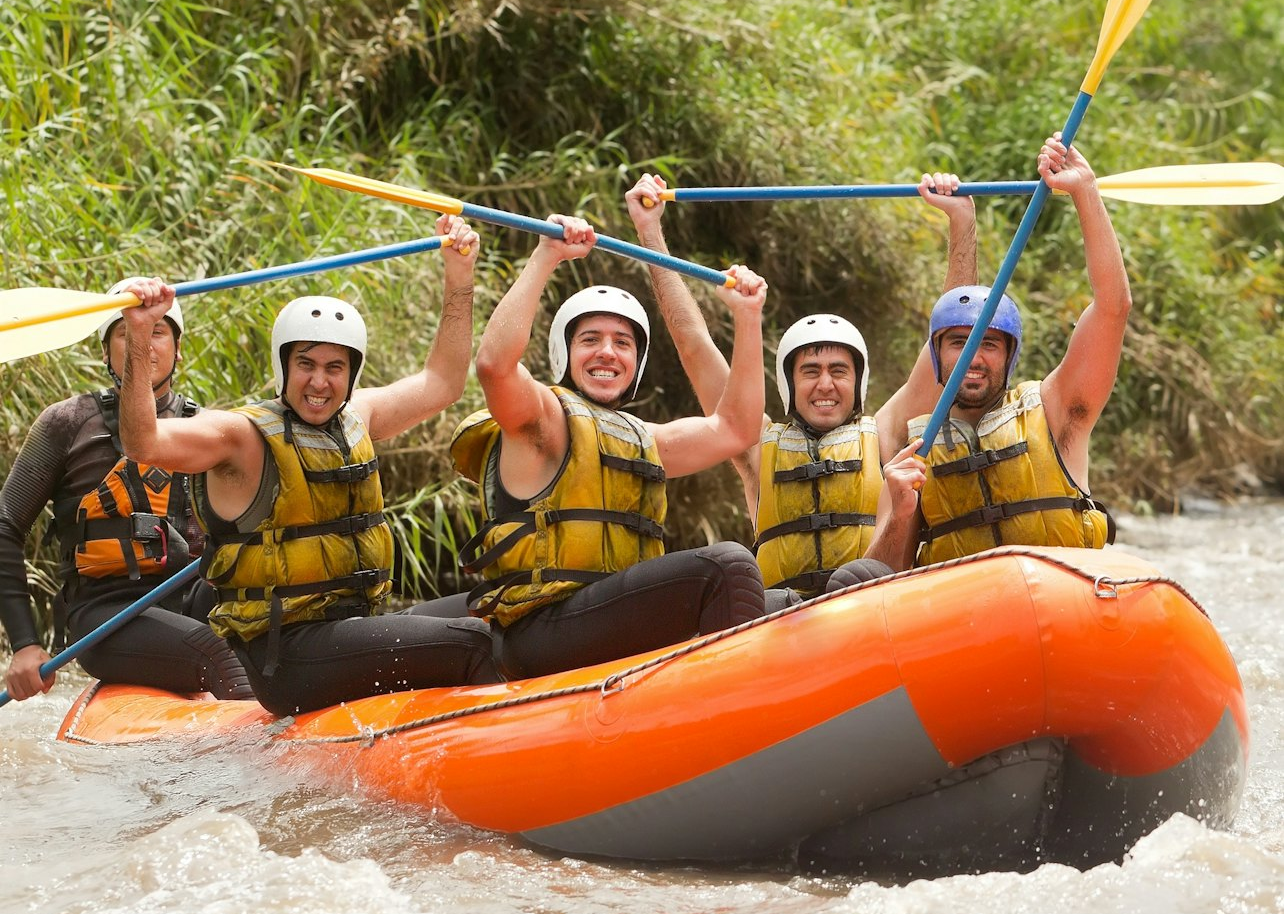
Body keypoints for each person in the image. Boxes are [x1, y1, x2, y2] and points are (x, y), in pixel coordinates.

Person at [114, 215, 498, 717]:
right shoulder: (241, 436)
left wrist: (459, 277)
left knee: (493, 605)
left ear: (351, 373)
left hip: (347, 631)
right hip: (290, 660)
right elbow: (142, 442)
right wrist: (140, 335)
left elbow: (443, 382)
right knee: (472, 642)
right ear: (283, 368)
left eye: (334, 367)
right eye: (306, 365)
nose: (320, 382)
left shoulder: (359, 416)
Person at [626, 171, 977, 600]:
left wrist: (961, 221)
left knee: (854, 581)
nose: (825, 384)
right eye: (810, 371)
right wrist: (650, 231)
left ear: (859, 381)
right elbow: (694, 345)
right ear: (790, 384)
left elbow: (953, 332)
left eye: (838, 370)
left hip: (868, 611)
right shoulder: (753, 441)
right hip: (780, 623)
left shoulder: (885, 433)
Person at [449, 213, 770, 679]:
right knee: (727, 568)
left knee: (775, 600)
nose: (607, 352)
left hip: (608, 618)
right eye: (590, 340)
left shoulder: (645, 440)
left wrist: (748, 318)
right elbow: (495, 366)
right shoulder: (542, 419)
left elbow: (737, 429)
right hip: (541, 628)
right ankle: (731, 715)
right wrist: (546, 256)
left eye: (622, 342)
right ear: (565, 352)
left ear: (636, 363)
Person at [867, 132, 1130, 571]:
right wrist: (900, 513)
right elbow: (879, 579)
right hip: (967, 617)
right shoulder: (912, 449)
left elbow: (1113, 308)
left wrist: (1085, 191)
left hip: (1062, 606)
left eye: (987, 343)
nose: (972, 355)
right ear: (935, 356)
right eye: (957, 343)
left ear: (1010, 356)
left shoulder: (1057, 411)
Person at [1, 284, 252, 702]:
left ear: (178, 349)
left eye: (158, 331)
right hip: (106, 616)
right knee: (216, 652)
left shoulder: (205, 429)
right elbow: (6, 525)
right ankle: (267, 761)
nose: (145, 343)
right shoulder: (66, 423)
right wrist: (25, 643)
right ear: (105, 351)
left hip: (192, 601)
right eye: (128, 333)